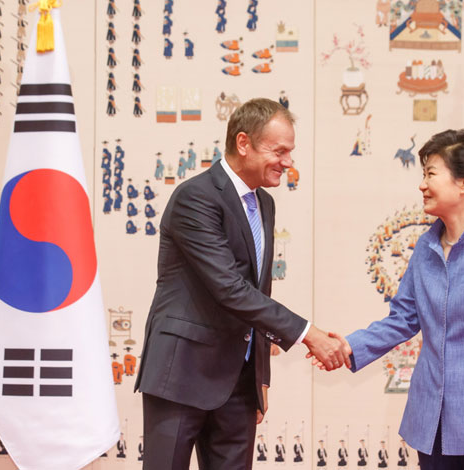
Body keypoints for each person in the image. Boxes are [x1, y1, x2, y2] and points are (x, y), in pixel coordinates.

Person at [135, 98, 348, 470]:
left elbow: (258, 292)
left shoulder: (264, 203)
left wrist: (258, 377)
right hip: (181, 375)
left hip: (237, 384)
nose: (287, 162)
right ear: (244, 143)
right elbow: (230, 288)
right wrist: (308, 334)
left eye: (290, 152)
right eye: (279, 151)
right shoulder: (195, 197)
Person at [317, 129, 464, 470]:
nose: (422, 184)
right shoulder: (424, 247)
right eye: (424, 174)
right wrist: (349, 346)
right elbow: (402, 319)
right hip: (430, 421)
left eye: (431, 174)